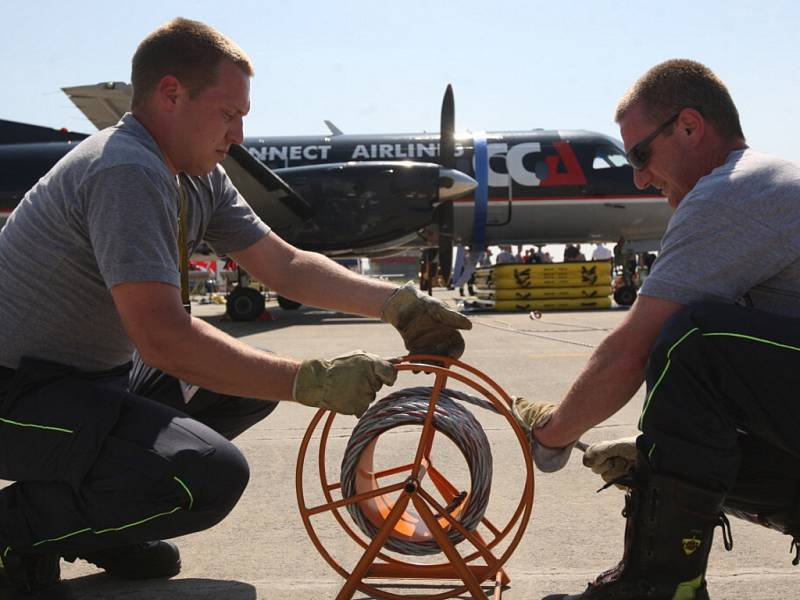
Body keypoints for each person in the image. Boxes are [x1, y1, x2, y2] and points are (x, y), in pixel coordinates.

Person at [0, 18, 472, 599]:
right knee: (204, 476)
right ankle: (14, 533)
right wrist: (309, 381)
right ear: (171, 94)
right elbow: (164, 340)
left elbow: (285, 265)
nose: (240, 135)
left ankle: (103, 529)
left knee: (243, 381)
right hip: (15, 394)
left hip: (81, 380)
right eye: (229, 114)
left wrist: (398, 305)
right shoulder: (128, 168)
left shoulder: (196, 175)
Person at [513, 59, 800, 600]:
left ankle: (658, 588)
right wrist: (659, 454)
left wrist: (551, 435)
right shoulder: (767, 181)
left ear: (690, 127)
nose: (639, 177)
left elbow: (630, 350)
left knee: (694, 339)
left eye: (639, 155)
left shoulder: (730, 192)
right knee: (687, 450)